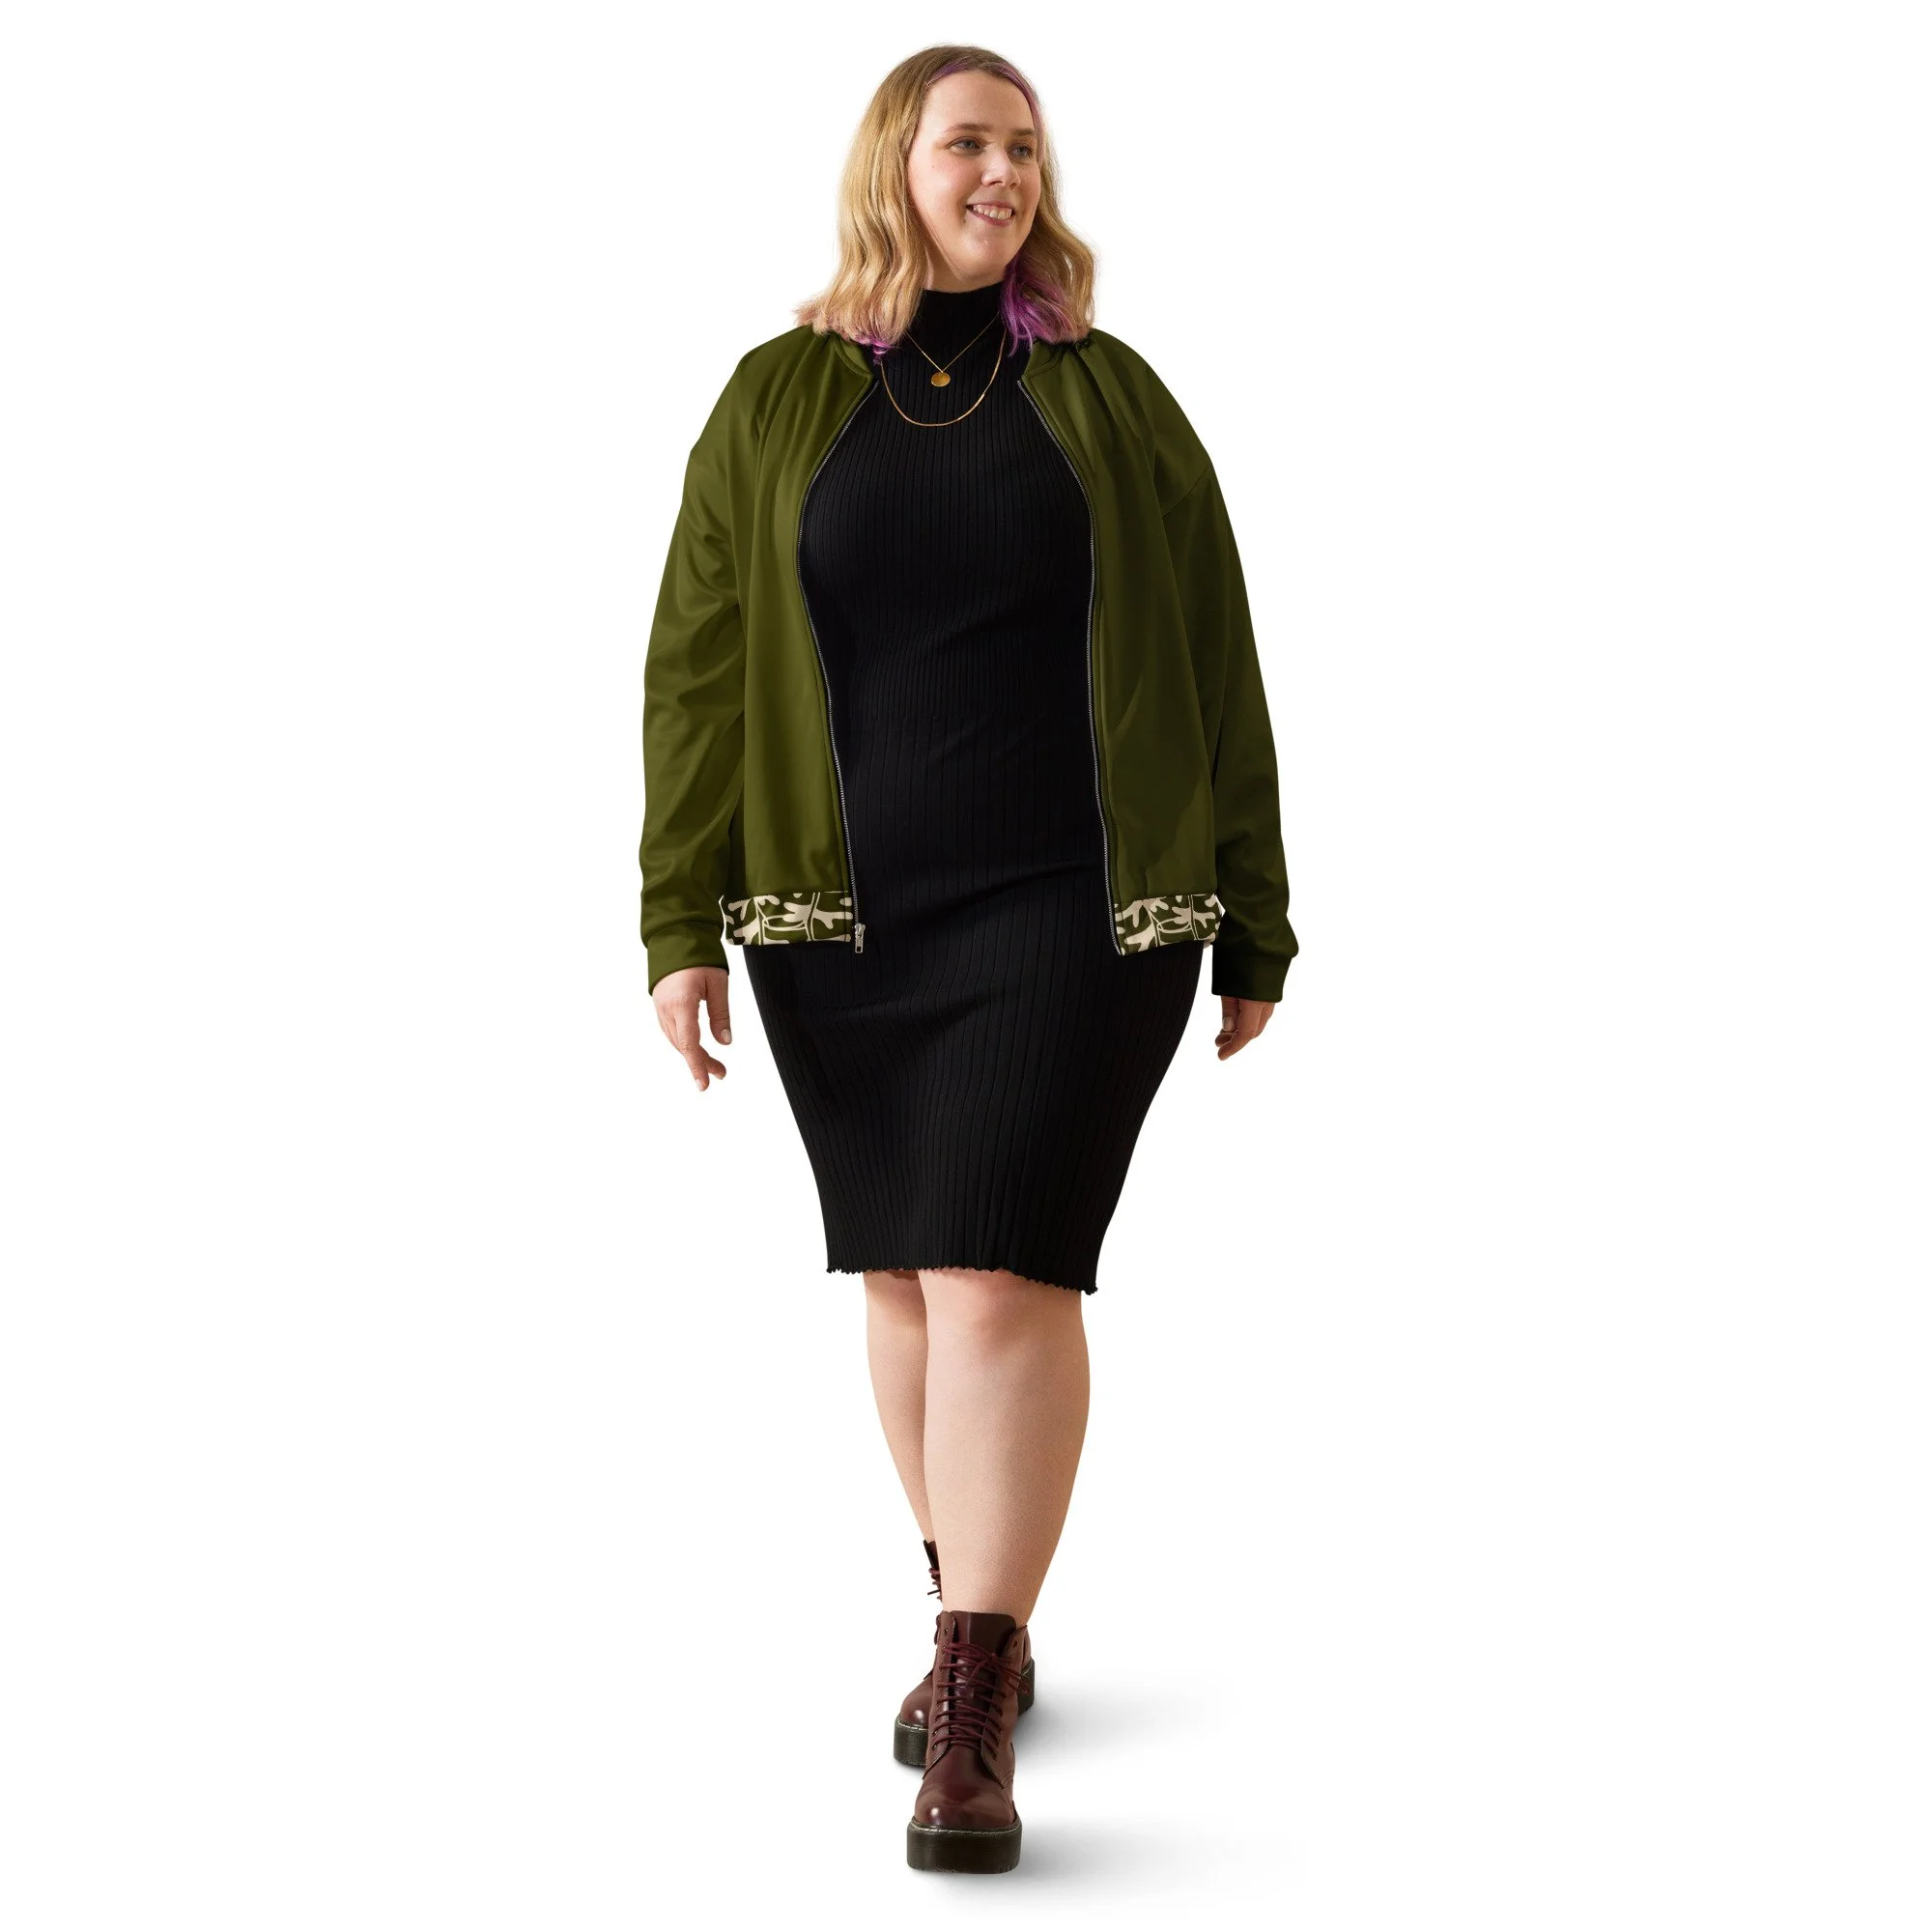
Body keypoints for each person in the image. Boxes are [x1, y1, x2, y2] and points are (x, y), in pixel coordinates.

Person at [639, 44, 1296, 1874]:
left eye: (1023, 147)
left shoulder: (1109, 395)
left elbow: (1217, 655)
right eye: (967, 144)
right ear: (896, 166)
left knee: (1001, 1272)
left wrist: (1255, 906)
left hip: (1077, 905)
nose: (1001, 172)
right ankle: (971, 1603)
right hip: (842, 917)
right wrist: (678, 916)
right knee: (908, 1281)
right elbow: (697, 666)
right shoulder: (776, 398)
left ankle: (972, 1696)